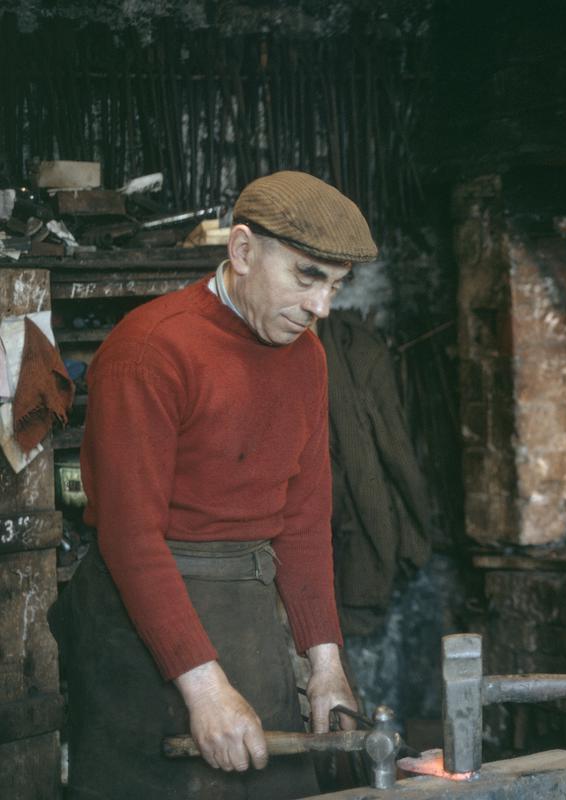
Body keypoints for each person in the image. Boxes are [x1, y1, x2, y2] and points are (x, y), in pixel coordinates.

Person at [55, 171, 377, 799]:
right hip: (142, 622)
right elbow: (130, 539)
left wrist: (326, 666)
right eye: (307, 277)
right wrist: (204, 690)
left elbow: (306, 523)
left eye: (336, 286)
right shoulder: (151, 349)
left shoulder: (308, 356)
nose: (322, 308)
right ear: (242, 250)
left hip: (249, 613)